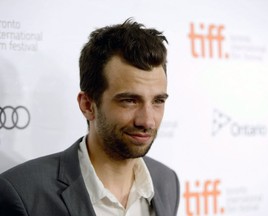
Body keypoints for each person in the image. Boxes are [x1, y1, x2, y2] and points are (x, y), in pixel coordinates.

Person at [0, 18, 180, 216]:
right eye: (129, 100)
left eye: (158, 101)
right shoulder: (22, 193)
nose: (147, 121)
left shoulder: (167, 181)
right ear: (87, 105)